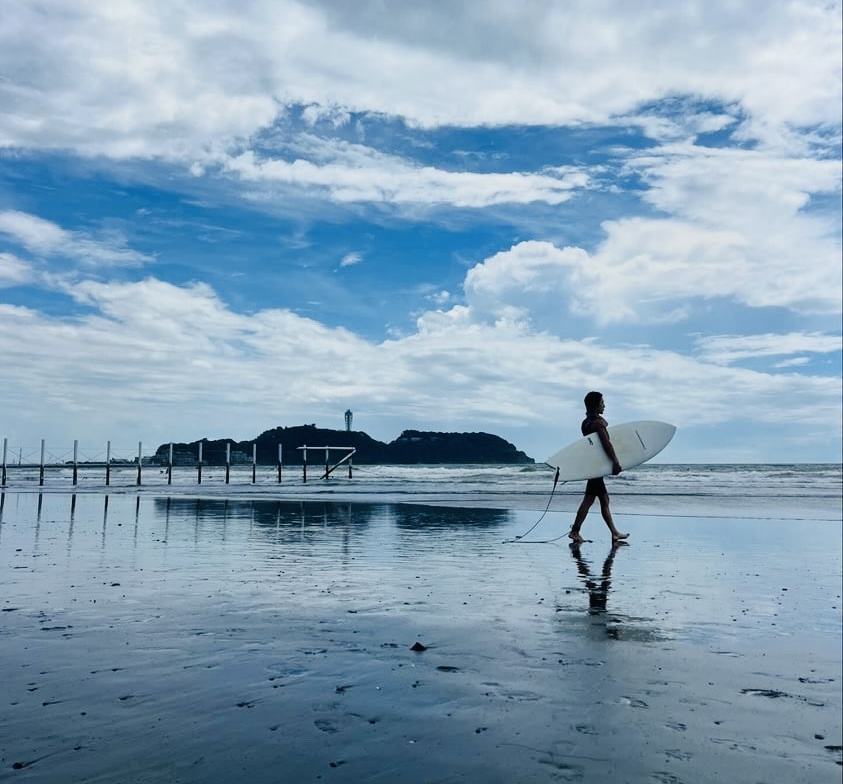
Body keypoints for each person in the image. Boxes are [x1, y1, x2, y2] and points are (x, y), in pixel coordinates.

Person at [568, 391, 629, 543]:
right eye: (602, 402)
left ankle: (613, 532)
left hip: (593, 465)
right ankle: (576, 531)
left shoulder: (585, 423)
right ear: (596, 405)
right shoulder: (597, 424)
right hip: (596, 467)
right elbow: (606, 444)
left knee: (601, 499)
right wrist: (615, 462)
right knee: (592, 499)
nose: (604, 405)